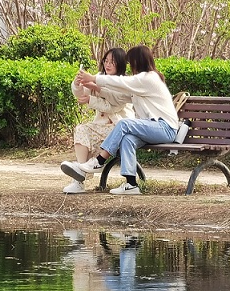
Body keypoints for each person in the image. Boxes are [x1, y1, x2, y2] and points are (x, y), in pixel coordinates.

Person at [60, 45, 179, 195]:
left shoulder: (149, 78)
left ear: (138, 61)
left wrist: (94, 78)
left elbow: (121, 84)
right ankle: (131, 184)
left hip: (164, 128)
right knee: (127, 139)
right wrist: (96, 87)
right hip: (151, 128)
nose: (130, 66)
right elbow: (119, 97)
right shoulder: (139, 83)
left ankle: (99, 162)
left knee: (124, 123)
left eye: (131, 62)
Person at [62, 48, 134, 194]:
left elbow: (113, 107)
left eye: (112, 62)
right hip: (100, 126)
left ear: (119, 64)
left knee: (90, 131)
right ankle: (79, 177)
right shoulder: (98, 77)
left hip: (119, 127)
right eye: (106, 61)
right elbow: (81, 93)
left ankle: (79, 176)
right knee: (81, 129)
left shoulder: (124, 82)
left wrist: (91, 99)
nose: (108, 65)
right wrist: (77, 84)